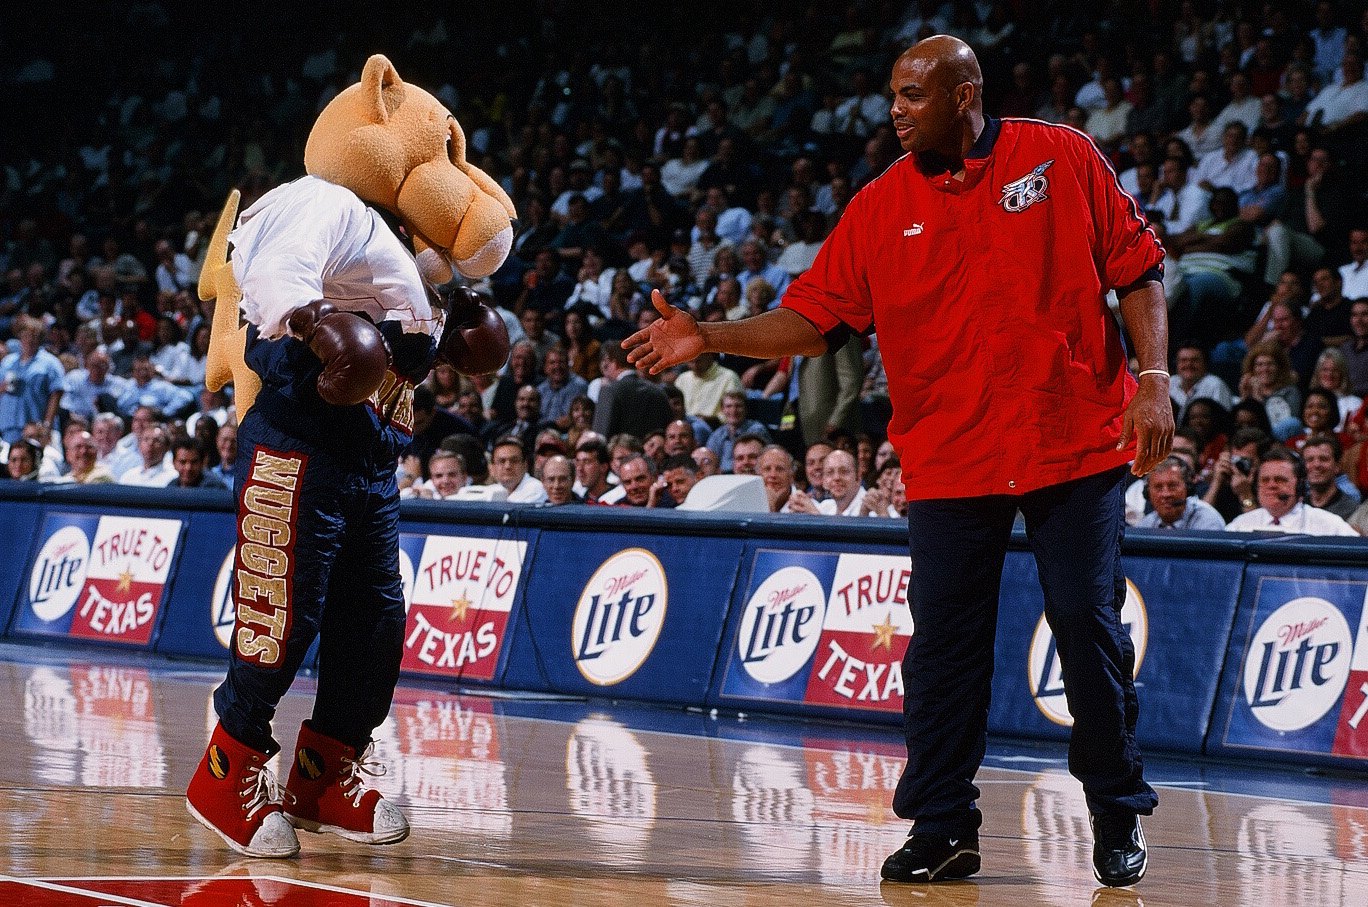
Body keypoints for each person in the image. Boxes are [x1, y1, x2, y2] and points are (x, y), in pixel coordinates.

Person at [623, 36, 1170, 888]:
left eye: (914, 94)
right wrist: (713, 337)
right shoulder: (881, 206)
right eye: (892, 95)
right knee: (943, 650)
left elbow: (1138, 271)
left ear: (965, 94)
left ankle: (1114, 807)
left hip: (1073, 441)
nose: (896, 110)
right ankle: (944, 824)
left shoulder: (1059, 155)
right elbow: (815, 317)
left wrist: (1154, 379)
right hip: (952, 459)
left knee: (1086, 624)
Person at [1226, 447, 1357, 535]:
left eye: (1280, 480)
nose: (1271, 485)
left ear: (1300, 486)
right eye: (1265, 480)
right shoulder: (1239, 525)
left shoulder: (1330, 525)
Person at [1136, 457, 1226, 530]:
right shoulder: (1146, 524)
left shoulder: (1207, 520)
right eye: (1158, 487)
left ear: (1188, 487)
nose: (1166, 494)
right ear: (1147, 492)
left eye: (1172, 486)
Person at [489, 435, 548, 504]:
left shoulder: (536, 490)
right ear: (492, 467)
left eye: (514, 461)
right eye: (502, 461)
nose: (507, 466)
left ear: (525, 465)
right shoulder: (493, 489)